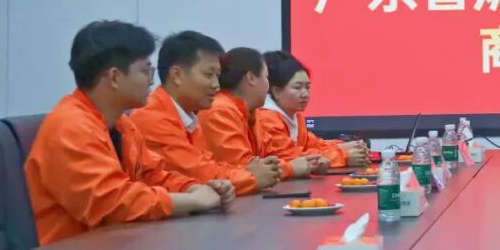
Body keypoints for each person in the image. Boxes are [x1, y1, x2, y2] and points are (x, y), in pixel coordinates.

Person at [24, 21, 229, 246]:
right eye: (145, 71)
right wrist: (194, 201)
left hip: (116, 248)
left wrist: (192, 187)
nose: (152, 80)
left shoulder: (122, 124)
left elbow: (154, 176)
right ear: (114, 77)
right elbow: (112, 203)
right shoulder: (69, 126)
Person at [131, 31, 280, 195]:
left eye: (217, 76)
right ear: (177, 75)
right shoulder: (152, 116)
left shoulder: (188, 116)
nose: (216, 85)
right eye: (209, 75)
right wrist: (252, 177)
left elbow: (208, 165)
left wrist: (250, 172)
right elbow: (198, 174)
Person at [198, 47, 318, 179]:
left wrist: (310, 162)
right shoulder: (219, 111)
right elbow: (243, 167)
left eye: (308, 87)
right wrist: (291, 168)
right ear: (251, 78)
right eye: (266, 77)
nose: (268, 87)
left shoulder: (251, 112)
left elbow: (274, 155)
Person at [255, 51, 369, 170]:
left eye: (308, 87)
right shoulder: (267, 118)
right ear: (276, 91)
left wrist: (344, 146)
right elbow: (292, 157)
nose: (305, 94)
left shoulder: (295, 116)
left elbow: (315, 145)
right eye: (297, 87)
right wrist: (343, 156)